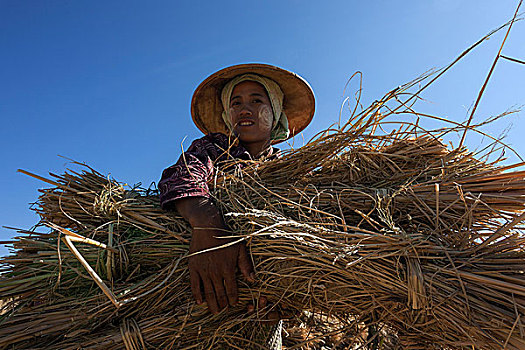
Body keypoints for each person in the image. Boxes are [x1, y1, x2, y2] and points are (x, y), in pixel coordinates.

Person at [158, 63, 315, 348]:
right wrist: (208, 225)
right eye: (236, 103)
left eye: (257, 101)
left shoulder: (291, 168)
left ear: (276, 112)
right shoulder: (213, 149)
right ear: (227, 115)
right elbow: (182, 176)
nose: (245, 109)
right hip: (204, 302)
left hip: (263, 304)